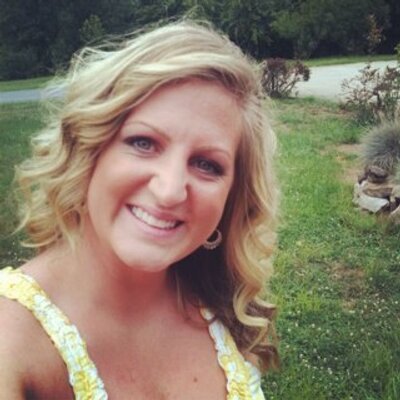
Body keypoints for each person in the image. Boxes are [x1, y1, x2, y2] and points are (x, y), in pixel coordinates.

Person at [0, 20, 279, 399]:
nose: (169, 191)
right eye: (143, 143)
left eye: (207, 164)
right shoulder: (11, 340)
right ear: (89, 148)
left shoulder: (229, 307)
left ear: (230, 198)